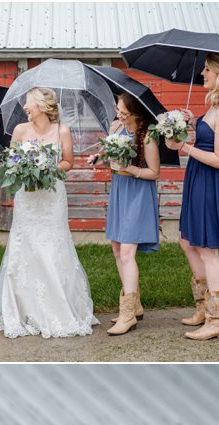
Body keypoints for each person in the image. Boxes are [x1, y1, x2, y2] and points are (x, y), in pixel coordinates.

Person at [0, 88, 98, 339]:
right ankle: (24, 310)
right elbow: (10, 163)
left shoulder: (61, 130)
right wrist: (24, 169)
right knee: (25, 244)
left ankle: (60, 305)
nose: (25, 107)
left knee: (54, 245)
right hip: (28, 199)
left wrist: (49, 169)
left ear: (40, 105)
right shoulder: (20, 130)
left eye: (28, 103)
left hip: (52, 197)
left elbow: (68, 163)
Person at [166, 54, 219, 341]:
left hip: (210, 180)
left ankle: (217, 319)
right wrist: (191, 121)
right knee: (188, 241)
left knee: (207, 248)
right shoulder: (215, 105)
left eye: (208, 69)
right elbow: (206, 138)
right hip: (197, 178)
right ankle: (202, 307)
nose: (202, 73)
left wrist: (184, 146)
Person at [88, 92, 160, 336]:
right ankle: (135, 304)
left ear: (135, 112)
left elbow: (154, 172)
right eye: (117, 110)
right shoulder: (116, 127)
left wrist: (129, 168)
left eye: (123, 111)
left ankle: (127, 315)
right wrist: (98, 156)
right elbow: (109, 151)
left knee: (128, 252)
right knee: (117, 248)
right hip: (120, 190)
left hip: (138, 192)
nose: (119, 114)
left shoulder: (147, 136)